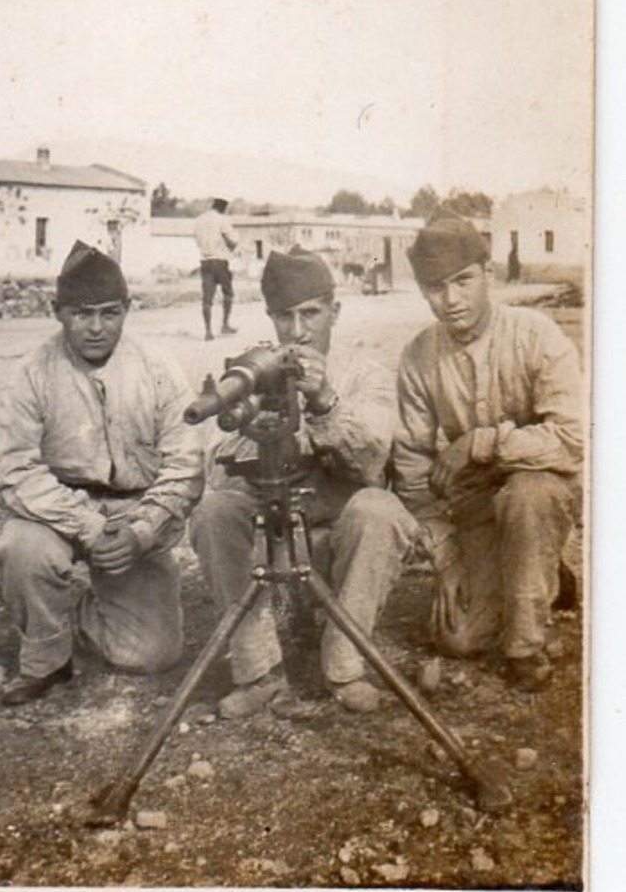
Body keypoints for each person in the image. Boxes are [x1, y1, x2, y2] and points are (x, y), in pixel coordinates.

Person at [190, 246, 416, 718]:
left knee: (380, 510)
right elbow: (220, 466)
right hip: (272, 542)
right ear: (271, 318)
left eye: (310, 314)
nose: (298, 331)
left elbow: (371, 461)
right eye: (284, 317)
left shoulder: (365, 373)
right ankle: (258, 672)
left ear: (335, 311)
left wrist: (324, 404)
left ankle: (345, 666)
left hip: (339, 543)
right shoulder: (256, 371)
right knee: (214, 511)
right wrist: (258, 409)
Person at [0, 241, 205, 705]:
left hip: (134, 513)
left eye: (109, 313)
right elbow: (11, 467)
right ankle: (47, 657)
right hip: (59, 512)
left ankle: (76, 612)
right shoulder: (33, 372)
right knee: (21, 547)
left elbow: (186, 463)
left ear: (128, 309)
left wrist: (143, 532)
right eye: (81, 314)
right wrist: (87, 525)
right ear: (57, 311)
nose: (95, 328)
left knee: (152, 655)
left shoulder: (158, 367)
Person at [392, 211, 583, 692]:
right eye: (435, 288)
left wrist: (480, 443)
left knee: (528, 497)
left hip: (540, 487)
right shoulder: (418, 357)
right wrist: (447, 559)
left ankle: (526, 645)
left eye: (464, 281)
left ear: (489, 275)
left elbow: (574, 439)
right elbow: (412, 472)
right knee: (458, 639)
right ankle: (530, 569)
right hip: (474, 504)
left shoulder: (536, 334)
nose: (451, 300)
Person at [193, 197, 239, 340]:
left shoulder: (199, 220)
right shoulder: (222, 220)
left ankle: (208, 331)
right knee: (228, 293)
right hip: (220, 261)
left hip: (205, 262)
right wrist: (231, 244)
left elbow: (197, 239)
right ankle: (225, 324)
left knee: (207, 299)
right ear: (223, 208)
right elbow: (231, 243)